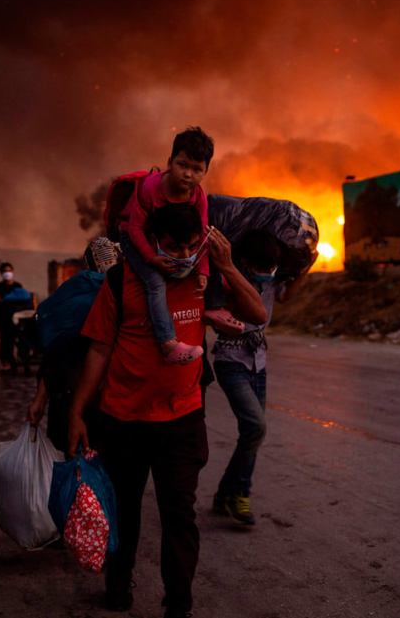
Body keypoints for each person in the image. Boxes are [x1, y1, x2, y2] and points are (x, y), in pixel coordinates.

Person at [67, 203, 267, 618]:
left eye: (193, 246)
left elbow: (257, 314)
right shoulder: (123, 280)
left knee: (179, 515)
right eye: (175, 247)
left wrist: (227, 267)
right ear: (153, 243)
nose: (185, 254)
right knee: (125, 509)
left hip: (182, 421)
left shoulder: (204, 276)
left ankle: (179, 604)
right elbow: (100, 349)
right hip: (123, 420)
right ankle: (118, 587)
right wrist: (77, 412)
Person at [120, 126, 244, 366]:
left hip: (173, 240)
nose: (188, 174)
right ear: (169, 162)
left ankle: (214, 307)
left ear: (205, 172)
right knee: (155, 283)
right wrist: (151, 259)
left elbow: (203, 235)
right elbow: (135, 228)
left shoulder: (198, 196)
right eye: (183, 165)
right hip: (137, 238)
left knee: (217, 245)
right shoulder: (150, 189)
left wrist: (204, 273)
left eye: (196, 169)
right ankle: (168, 343)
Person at [210, 230, 306, 526]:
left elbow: (286, 296)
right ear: (246, 261)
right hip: (230, 360)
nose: (266, 274)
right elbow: (242, 315)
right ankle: (240, 494)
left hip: (258, 361)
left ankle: (228, 494)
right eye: (260, 269)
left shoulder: (271, 276)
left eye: (270, 269)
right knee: (256, 426)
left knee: (251, 434)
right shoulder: (229, 282)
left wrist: (305, 268)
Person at [26, 236, 121, 451]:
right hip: (110, 402)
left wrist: (40, 398)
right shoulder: (123, 292)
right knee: (105, 476)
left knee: (69, 469)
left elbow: (55, 350)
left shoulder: (70, 295)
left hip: (68, 398)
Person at [0, 262, 24, 371]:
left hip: (16, 315)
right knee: (5, 338)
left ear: (13, 271)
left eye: (9, 270)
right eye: (5, 271)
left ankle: (14, 358)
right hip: (3, 316)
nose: (7, 273)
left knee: (15, 337)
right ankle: (5, 359)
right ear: (1, 273)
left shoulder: (18, 286)